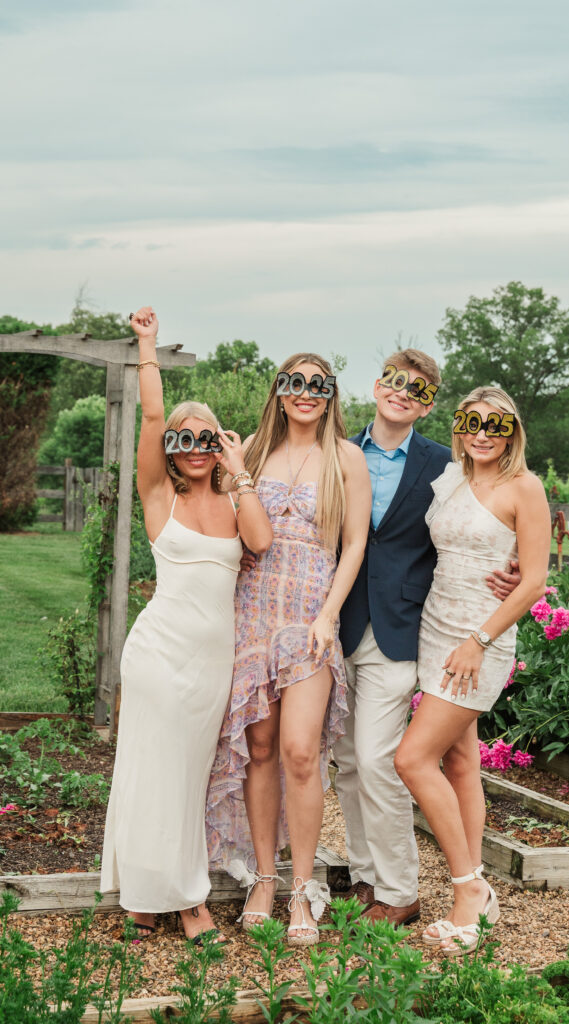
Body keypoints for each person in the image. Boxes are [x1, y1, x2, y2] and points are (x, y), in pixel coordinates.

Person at [100, 306, 273, 944]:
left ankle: (147, 898)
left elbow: (260, 540)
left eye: (207, 438)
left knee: (187, 775)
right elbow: (150, 414)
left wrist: (240, 469)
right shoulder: (158, 496)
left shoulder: (233, 499)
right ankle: (187, 900)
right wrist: (147, 344)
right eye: (185, 439)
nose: (195, 448)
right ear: (170, 449)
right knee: (153, 769)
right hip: (158, 652)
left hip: (211, 662)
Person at [335, 350, 521, 927]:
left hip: (405, 629)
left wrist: (511, 567)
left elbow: (492, 521)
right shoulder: (337, 452)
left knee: (381, 758)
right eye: (394, 382)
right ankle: (366, 876)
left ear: (430, 403)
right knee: (346, 761)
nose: (402, 393)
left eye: (417, 389)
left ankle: (400, 889)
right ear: (376, 385)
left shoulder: (447, 465)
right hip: (336, 623)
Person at [205, 353, 371, 946]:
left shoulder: (346, 458)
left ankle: (304, 886)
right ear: (278, 390)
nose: (305, 393)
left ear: (330, 395)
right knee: (260, 746)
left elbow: (353, 547)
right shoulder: (251, 449)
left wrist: (329, 614)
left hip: (308, 621)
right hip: (251, 613)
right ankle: (264, 879)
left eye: (316, 384)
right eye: (293, 382)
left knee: (302, 752)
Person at [394, 386, 550, 953]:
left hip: (479, 640)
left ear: (512, 431)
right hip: (435, 626)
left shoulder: (524, 488)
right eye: (472, 421)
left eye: (495, 424)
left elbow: (532, 579)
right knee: (460, 760)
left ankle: (469, 889)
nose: (483, 432)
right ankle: (477, 886)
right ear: (460, 424)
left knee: (412, 759)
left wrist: (479, 640)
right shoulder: (451, 477)